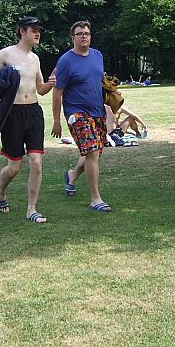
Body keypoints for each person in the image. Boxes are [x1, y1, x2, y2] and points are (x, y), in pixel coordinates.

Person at [0, 16, 55, 223]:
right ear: (22, 31)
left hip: (33, 113)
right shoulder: (6, 53)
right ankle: (0, 191)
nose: (38, 34)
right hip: (12, 114)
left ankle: (32, 209)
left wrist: (50, 83)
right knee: (14, 167)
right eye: (34, 30)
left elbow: (40, 89)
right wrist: (4, 76)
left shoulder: (35, 59)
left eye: (39, 30)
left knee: (36, 162)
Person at [52, 20, 112, 212]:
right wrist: (56, 121)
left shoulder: (97, 55)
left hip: (97, 111)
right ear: (73, 38)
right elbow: (57, 92)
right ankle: (95, 199)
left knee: (94, 151)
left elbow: (98, 81)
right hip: (76, 113)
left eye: (87, 33)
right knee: (92, 151)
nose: (84, 36)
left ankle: (71, 175)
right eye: (80, 34)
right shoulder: (66, 61)